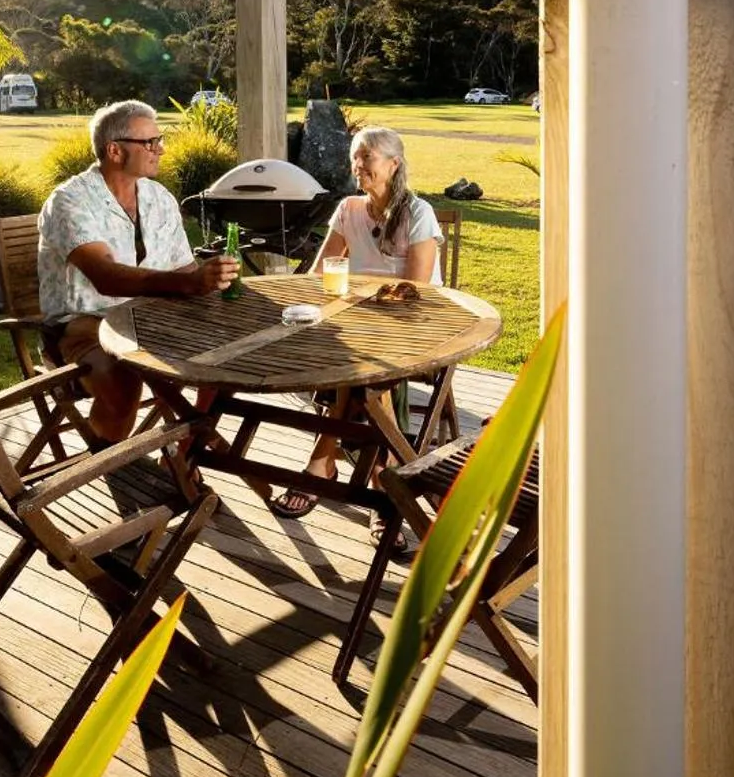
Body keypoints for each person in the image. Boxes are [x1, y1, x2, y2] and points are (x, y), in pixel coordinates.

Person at [38, 100, 239, 446]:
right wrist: (188, 283)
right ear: (114, 150)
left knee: (229, 348)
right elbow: (105, 276)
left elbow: (184, 268)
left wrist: (210, 281)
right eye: (150, 142)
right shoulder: (70, 201)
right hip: (85, 325)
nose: (160, 149)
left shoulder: (159, 198)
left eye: (159, 140)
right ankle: (110, 461)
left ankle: (186, 453)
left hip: (151, 318)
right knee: (122, 381)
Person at [271, 126, 443, 519]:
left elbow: (416, 289)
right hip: (356, 322)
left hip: (413, 325)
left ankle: (323, 460)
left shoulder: (418, 213)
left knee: (357, 369)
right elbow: (320, 273)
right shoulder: (349, 209)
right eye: (354, 155)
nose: (357, 163)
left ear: (394, 163)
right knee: (356, 370)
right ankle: (384, 478)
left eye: (367, 155)